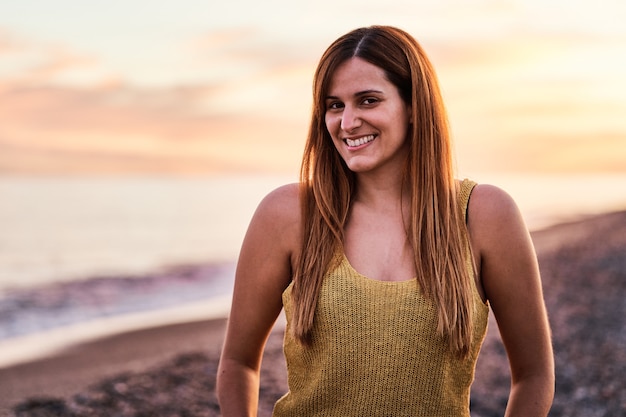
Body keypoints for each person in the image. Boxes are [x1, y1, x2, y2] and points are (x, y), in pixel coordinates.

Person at [216, 25, 554, 416]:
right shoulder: (289, 214)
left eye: (368, 101)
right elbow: (238, 363)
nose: (347, 123)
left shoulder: (484, 215)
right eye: (334, 105)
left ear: (413, 106)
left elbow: (533, 375)